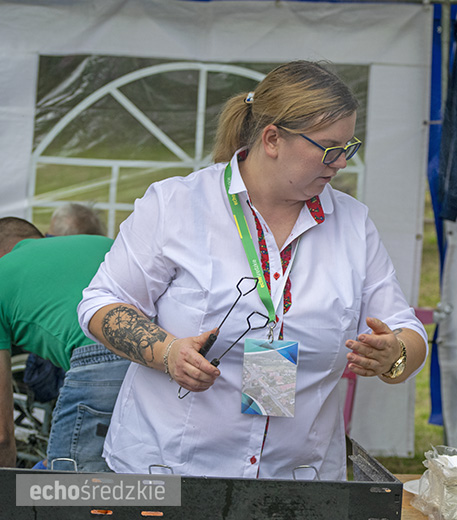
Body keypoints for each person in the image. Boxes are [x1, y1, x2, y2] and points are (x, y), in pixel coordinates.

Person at [77, 60, 428, 480]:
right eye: (328, 148)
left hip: (298, 479)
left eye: (348, 147)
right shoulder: (176, 204)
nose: (341, 163)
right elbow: (102, 303)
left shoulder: (353, 223)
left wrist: (395, 354)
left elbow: (407, 328)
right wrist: (166, 352)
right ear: (273, 138)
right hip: (171, 470)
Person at [0, 217, 127, 471]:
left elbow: (1, 435)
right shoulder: (101, 243)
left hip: (103, 358)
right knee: (151, 481)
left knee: (66, 486)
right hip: (169, 353)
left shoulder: (3, 272)